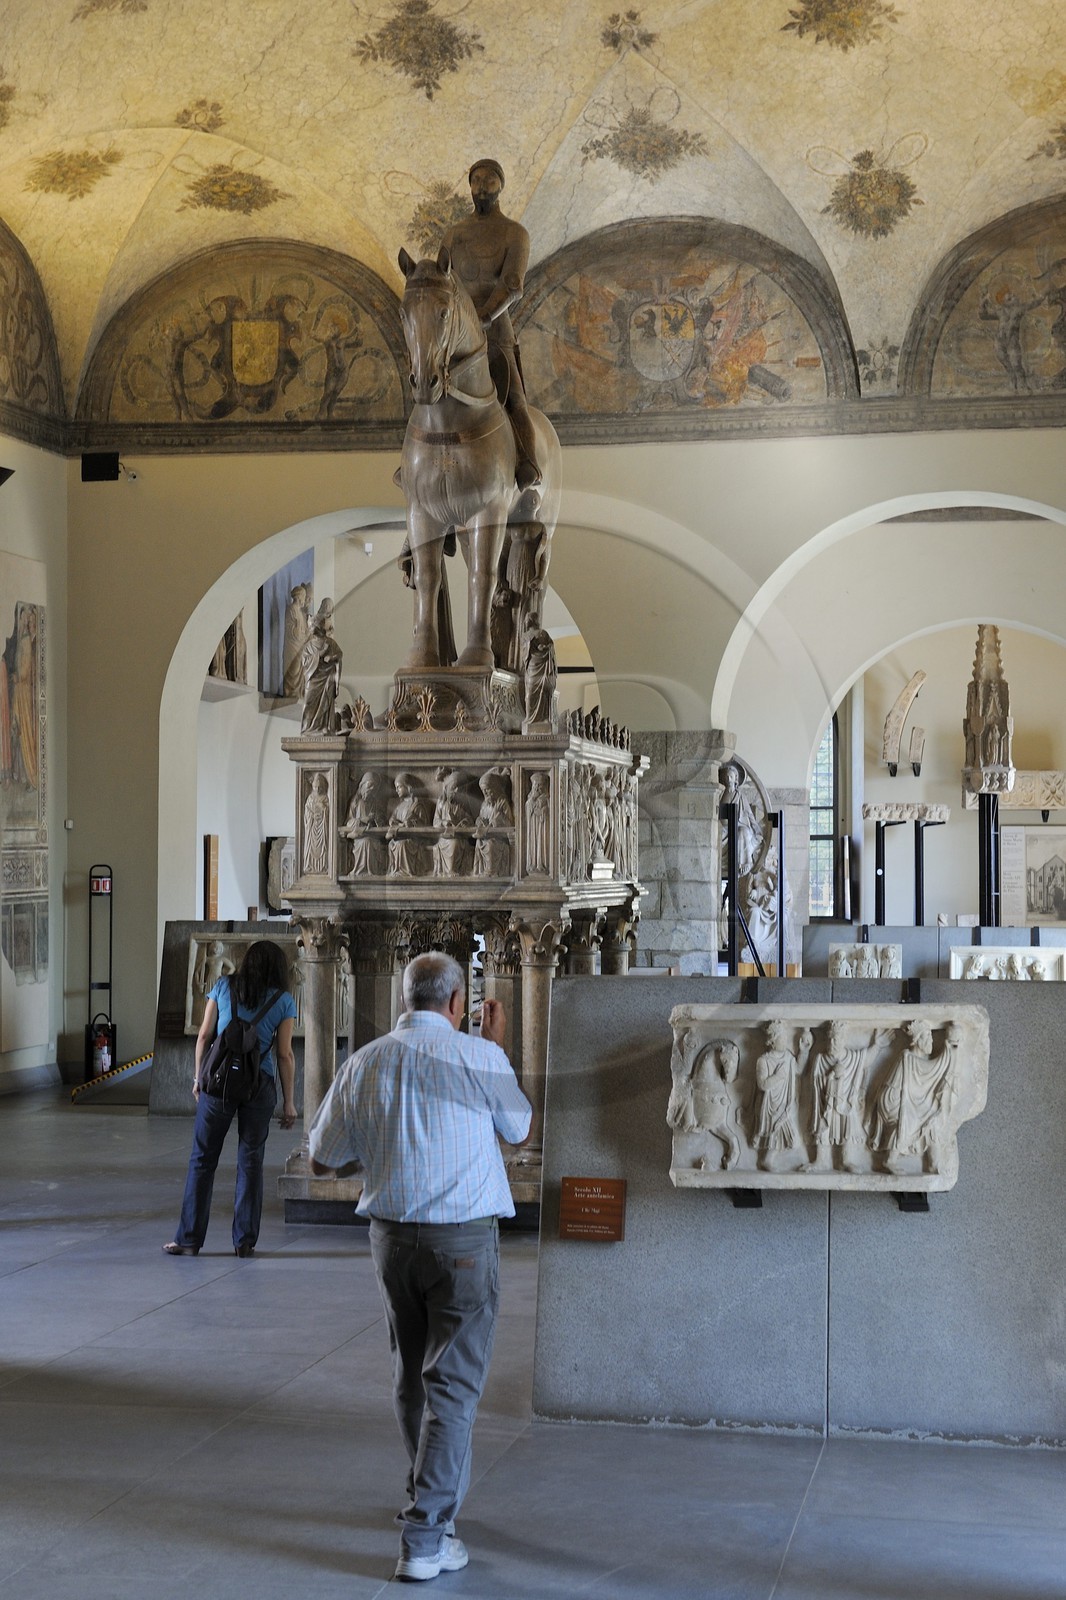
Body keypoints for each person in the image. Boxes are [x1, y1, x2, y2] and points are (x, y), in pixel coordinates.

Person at [308, 951, 531, 1584]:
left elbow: (322, 1160)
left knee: (411, 1375)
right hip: (462, 1241)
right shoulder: (478, 1056)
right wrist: (499, 1047)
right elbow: (518, 1129)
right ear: (458, 1004)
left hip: (392, 1240)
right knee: (453, 1386)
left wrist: (384, 1147)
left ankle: (428, 1496)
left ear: (406, 999)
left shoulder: (366, 1061)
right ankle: (426, 1535)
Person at [164, 939, 297, 1258]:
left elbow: (204, 1036)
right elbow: (285, 1054)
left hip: (219, 1082)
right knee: (251, 1160)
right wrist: (289, 1101)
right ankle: (244, 1241)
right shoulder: (283, 1000)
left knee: (203, 1158)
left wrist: (199, 1078)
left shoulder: (223, 986)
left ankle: (189, 1239)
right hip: (259, 1085)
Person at [440, 158, 541, 490]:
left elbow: (512, 284)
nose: (482, 186)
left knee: (514, 400)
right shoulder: (453, 234)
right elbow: (444, 281)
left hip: (495, 326)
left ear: (501, 185)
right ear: (469, 186)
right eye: (476, 180)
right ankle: (412, 466)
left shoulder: (514, 232)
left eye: (490, 180)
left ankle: (528, 461)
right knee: (429, 390)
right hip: (456, 331)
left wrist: (484, 317)